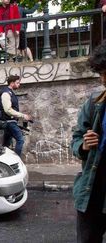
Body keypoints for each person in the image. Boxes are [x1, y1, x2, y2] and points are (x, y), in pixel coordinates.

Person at [71, 42, 106, 243]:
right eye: (101, 73)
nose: (103, 79)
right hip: (91, 192)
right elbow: (76, 138)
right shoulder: (95, 102)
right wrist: (83, 146)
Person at [0, 75, 31, 156]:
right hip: (9, 122)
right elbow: (8, 110)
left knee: (6, 145)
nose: (19, 84)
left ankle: (4, 161)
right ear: (12, 83)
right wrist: (23, 115)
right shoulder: (6, 93)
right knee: (20, 140)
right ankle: (17, 160)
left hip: (10, 121)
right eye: (17, 83)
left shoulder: (10, 92)